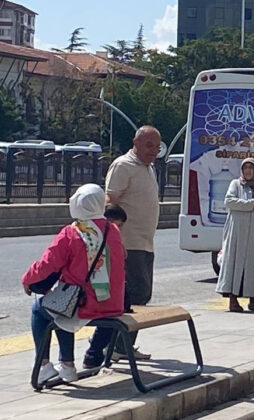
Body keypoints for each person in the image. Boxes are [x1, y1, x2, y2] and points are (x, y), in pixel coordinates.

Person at [22, 184, 125, 383]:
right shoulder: (112, 229)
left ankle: (46, 365)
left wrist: (27, 279)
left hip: (86, 304)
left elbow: (47, 264)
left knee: (41, 308)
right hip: (113, 303)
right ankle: (66, 366)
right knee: (60, 307)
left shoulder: (72, 232)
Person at [104, 125, 160, 361]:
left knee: (140, 295)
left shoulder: (148, 168)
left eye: (157, 147)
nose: (153, 151)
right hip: (128, 244)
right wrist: (117, 241)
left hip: (145, 243)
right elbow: (110, 202)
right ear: (135, 143)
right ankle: (115, 345)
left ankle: (119, 344)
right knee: (134, 295)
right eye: (148, 145)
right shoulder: (123, 165)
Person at [216, 159, 254, 312]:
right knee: (234, 264)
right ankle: (233, 299)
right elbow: (229, 202)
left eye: (251, 168)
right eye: (246, 168)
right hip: (237, 232)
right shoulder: (236, 184)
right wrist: (252, 204)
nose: (248, 171)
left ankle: (253, 299)